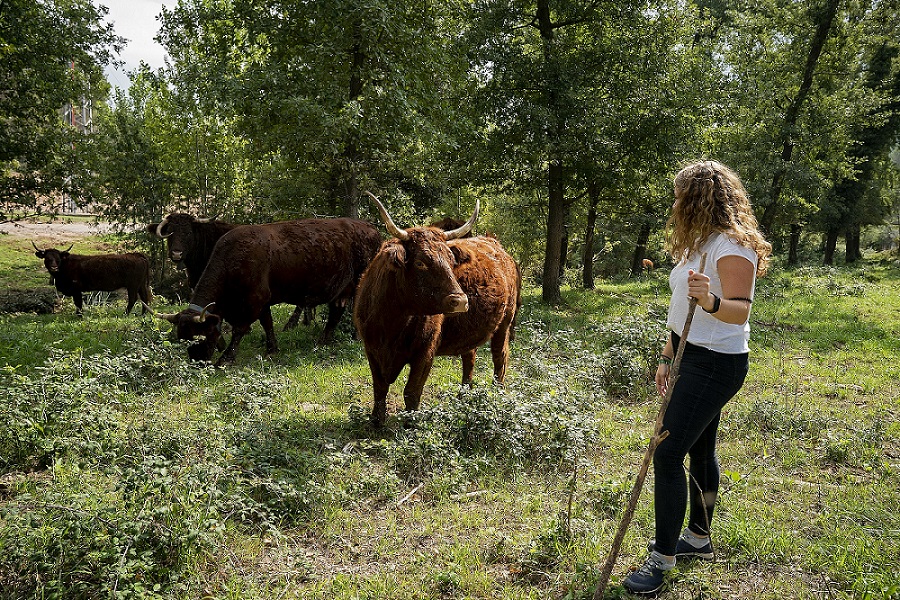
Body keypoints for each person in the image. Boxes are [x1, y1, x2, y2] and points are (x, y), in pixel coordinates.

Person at [623, 160, 772, 595]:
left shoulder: (731, 246)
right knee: (700, 448)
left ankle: (662, 559)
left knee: (667, 455)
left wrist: (709, 299)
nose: (674, 204)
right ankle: (698, 540)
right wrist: (668, 355)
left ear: (698, 199)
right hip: (690, 356)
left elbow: (740, 309)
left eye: (678, 196)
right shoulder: (698, 243)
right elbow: (678, 309)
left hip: (717, 364)